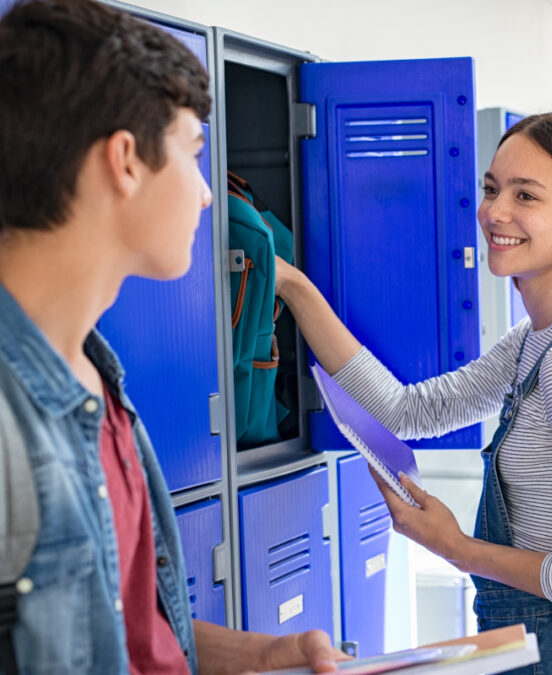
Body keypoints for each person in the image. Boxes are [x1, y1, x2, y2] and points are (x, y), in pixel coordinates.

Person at [275, 112, 552, 673]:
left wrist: (456, 548)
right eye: (491, 189)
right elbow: (407, 411)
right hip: (533, 645)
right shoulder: (536, 339)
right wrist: (292, 286)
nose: (494, 212)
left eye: (526, 195)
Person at [0, 1, 345, 672]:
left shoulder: (97, 376)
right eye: (194, 153)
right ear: (125, 161)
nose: (210, 194)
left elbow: (121, 627)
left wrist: (265, 654)